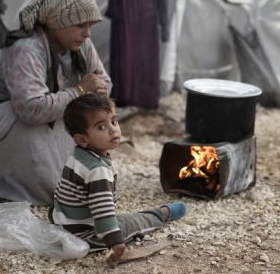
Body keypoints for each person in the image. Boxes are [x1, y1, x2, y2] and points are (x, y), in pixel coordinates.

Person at [0, 0, 112, 206]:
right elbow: (30, 109)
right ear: (56, 21)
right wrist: (80, 90)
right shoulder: (26, 49)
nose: (87, 33)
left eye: (90, 25)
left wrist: (96, 89)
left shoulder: (81, 44)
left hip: (40, 115)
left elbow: (105, 84)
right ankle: (13, 189)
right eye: (80, 25)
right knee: (30, 117)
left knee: (83, 118)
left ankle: (57, 184)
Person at [48, 93, 187, 263]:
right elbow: (103, 210)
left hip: (62, 220)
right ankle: (161, 214)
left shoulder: (79, 156)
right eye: (101, 127)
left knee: (117, 217)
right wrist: (114, 239)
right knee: (133, 221)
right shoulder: (98, 170)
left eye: (114, 121)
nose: (113, 129)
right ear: (82, 139)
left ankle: (156, 214)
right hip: (84, 234)